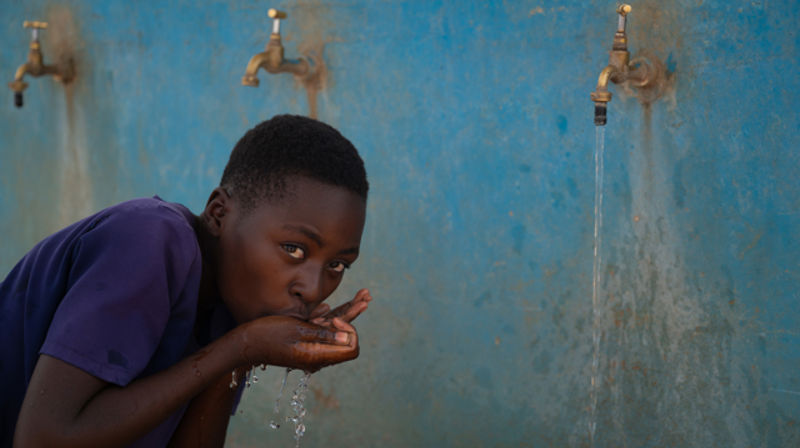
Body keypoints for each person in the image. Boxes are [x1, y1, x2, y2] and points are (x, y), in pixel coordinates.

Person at [0, 114, 373, 447]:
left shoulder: (236, 308)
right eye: (293, 249)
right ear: (218, 213)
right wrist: (238, 348)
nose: (312, 288)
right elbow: (42, 439)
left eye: (338, 265)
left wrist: (243, 354)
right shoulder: (149, 237)